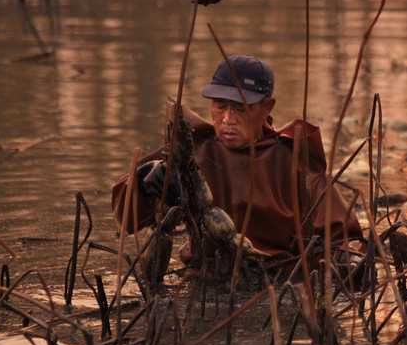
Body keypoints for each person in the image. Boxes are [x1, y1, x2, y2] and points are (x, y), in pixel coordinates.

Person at [112, 54, 365, 273]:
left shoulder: (295, 160)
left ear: (268, 107)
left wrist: (347, 260)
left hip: (278, 281)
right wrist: (145, 182)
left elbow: (344, 237)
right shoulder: (192, 151)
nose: (227, 119)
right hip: (205, 283)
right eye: (220, 107)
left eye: (240, 109)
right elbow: (127, 220)